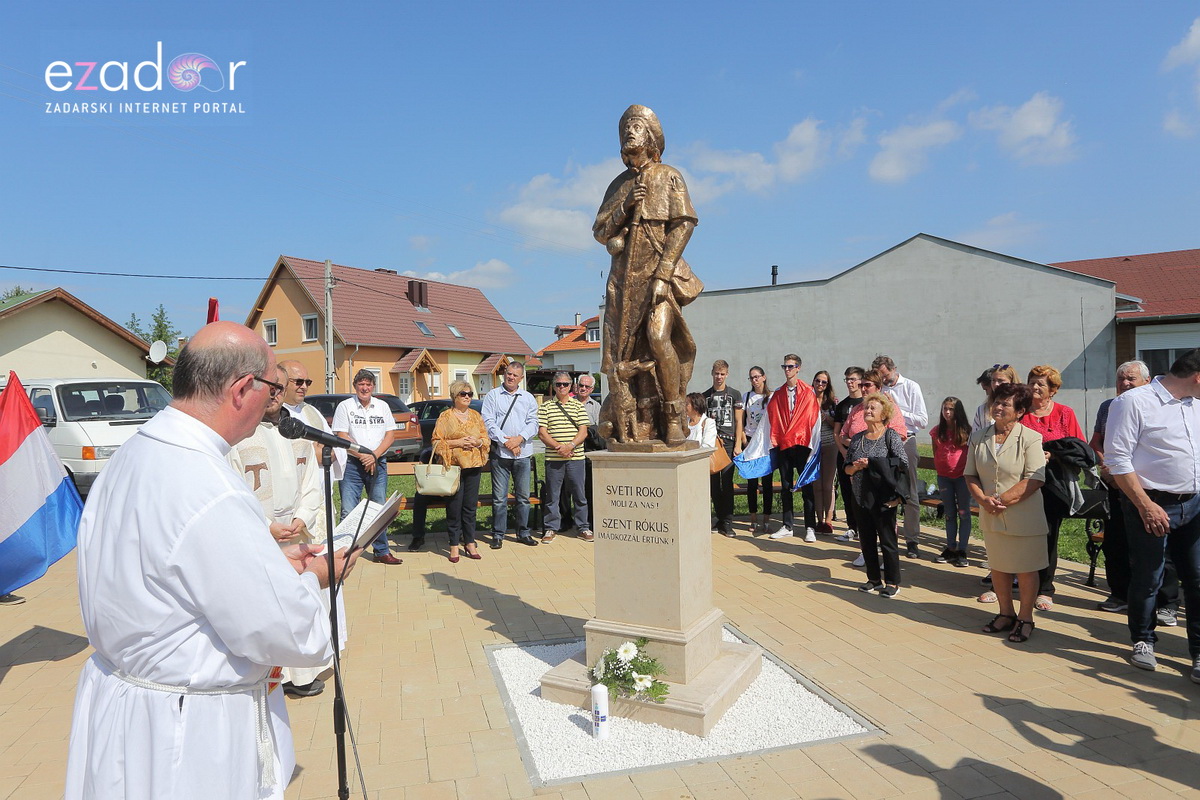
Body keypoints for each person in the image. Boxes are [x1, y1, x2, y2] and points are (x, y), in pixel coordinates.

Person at [66, 321, 356, 799]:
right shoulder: (210, 486)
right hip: (187, 734)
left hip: (128, 705)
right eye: (273, 388)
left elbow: (169, 577)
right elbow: (286, 633)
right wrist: (316, 577)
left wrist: (276, 566)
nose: (275, 401)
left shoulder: (135, 451)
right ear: (243, 389)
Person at [594, 104, 703, 445]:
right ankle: (641, 421)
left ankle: (672, 416)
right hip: (624, 284)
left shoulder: (669, 175)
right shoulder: (618, 184)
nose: (630, 131)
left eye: (637, 127)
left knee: (658, 338)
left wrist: (664, 271)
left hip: (660, 277)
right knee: (625, 356)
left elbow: (684, 224)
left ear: (652, 138)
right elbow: (600, 232)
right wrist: (626, 206)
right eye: (625, 127)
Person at [228, 365, 335, 697]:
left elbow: (311, 481)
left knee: (300, 603)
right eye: (268, 388)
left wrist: (303, 516)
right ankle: (273, 675)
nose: (274, 393)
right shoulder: (241, 434)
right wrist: (266, 526)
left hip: (298, 530)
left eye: (279, 388)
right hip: (261, 533)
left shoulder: (296, 429)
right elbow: (233, 486)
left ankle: (302, 676)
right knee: (270, 606)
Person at [1104, 348, 1200, 679]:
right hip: (1151, 503)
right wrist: (1145, 504)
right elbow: (1117, 459)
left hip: (1195, 503)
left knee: (1197, 578)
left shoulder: (1196, 405)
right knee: (1149, 575)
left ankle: (1199, 653)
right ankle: (1143, 640)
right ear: (1198, 377)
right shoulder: (1133, 402)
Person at [1090, 361, 1179, 618]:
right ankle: (1120, 594)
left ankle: (1167, 603)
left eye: (1131, 378)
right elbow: (1097, 441)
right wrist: (1108, 468)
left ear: (1147, 380)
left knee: (1162, 544)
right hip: (1117, 487)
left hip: (1152, 490)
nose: (1125, 383)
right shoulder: (1109, 407)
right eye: (1121, 379)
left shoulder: (1160, 407)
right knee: (1115, 542)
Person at [965, 382, 1048, 644]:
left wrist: (1001, 500)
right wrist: (982, 500)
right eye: (996, 402)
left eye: (1005, 404)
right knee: (999, 567)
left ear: (1020, 410)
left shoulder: (1030, 438)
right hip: (991, 513)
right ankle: (1005, 613)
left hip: (1024, 515)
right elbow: (970, 474)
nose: (998, 407)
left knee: (1025, 570)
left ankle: (1025, 618)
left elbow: (1035, 479)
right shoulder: (978, 438)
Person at [1020, 364, 1087, 611]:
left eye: (1041, 384)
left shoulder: (1064, 413)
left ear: (1053, 390)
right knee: (1021, 534)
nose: (1035, 387)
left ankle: (1045, 589)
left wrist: (1052, 455)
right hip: (1021, 481)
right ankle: (1013, 582)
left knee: (1048, 534)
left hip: (1053, 483)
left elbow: (1078, 448)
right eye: (1032, 381)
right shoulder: (1020, 412)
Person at [844, 393, 909, 598]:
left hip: (884, 498)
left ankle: (892, 582)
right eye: (867, 408)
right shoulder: (857, 438)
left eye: (873, 408)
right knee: (867, 540)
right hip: (861, 496)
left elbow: (902, 463)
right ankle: (873, 579)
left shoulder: (890, 436)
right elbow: (846, 467)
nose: (868, 411)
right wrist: (854, 468)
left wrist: (871, 463)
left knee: (888, 541)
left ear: (884, 414)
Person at [332, 370, 400, 564]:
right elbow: (341, 435)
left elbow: (390, 436)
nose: (365, 388)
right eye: (361, 384)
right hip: (353, 464)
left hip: (378, 463)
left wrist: (373, 456)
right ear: (355, 386)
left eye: (368, 384)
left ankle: (381, 551)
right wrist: (362, 456)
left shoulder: (382, 406)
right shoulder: (345, 407)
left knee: (378, 508)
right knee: (348, 509)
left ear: (373, 386)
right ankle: (343, 553)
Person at [873, 356, 928, 558]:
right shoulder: (881, 390)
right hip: (885, 442)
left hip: (906, 441)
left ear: (894, 369)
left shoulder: (911, 387)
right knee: (887, 492)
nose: (884, 380)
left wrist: (896, 409)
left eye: (885, 375)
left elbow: (922, 420)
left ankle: (912, 540)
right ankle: (888, 537)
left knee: (910, 492)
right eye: (880, 376)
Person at [481, 362, 540, 548]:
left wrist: (519, 439)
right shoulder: (493, 396)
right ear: (504, 374)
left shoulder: (528, 398)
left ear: (521, 378)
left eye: (515, 375)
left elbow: (533, 423)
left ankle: (523, 532)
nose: (511, 377)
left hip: (523, 453)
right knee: (499, 498)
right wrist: (507, 442)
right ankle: (498, 534)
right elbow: (488, 423)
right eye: (508, 373)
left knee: (523, 497)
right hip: (501, 454)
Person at [432, 380, 490, 563]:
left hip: (473, 465)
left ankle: (470, 542)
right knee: (454, 507)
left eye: (469, 394)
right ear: (454, 396)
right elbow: (435, 442)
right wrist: (457, 443)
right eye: (463, 394)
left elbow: (485, 439)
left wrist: (478, 443)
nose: (467, 397)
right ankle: (454, 544)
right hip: (453, 468)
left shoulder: (476, 416)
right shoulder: (445, 417)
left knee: (470, 507)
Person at [766, 354, 821, 542]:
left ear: (798, 368)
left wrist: (813, 445)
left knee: (806, 485)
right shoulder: (778, 393)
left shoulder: (808, 392)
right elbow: (772, 417)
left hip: (802, 444)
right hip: (784, 445)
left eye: (791, 366)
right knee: (786, 485)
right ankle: (787, 525)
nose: (787, 370)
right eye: (785, 366)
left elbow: (813, 419)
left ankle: (810, 527)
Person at [538, 372, 593, 543]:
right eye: (558, 384)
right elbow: (542, 433)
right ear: (554, 386)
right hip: (554, 459)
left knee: (579, 494)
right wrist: (558, 447)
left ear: (571, 386)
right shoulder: (545, 407)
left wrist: (570, 446)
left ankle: (583, 527)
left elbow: (583, 432)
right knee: (552, 496)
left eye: (565, 384)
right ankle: (550, 528)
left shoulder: (578, 406)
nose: (562, 387)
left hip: (576, 459)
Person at [930, 397, 973, 568]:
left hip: (962, 478)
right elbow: (935, 452)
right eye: (945, 409)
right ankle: (950, 547)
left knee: (964, 513)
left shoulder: (966, 431)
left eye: (951, 409)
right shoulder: (937, 431)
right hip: (944, 477)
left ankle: (962, 550)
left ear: (958, 411)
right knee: (949, 513)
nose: (947, 412)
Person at [704, 360, 743, 537]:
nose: (719, 377)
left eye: (722, 374)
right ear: (712, 374)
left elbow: (739, 420)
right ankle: (719, 518)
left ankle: (728, 521)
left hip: (728, 444)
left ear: (727, 374)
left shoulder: (735, 394)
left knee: (727, 483)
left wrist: (737, 445)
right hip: (712, 445)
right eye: (716, 373)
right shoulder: (706, 397)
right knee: (713, 485)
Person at [833, 367, 865, 543]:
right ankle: (852, 527)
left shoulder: (867, 403)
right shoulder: (842, 405)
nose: (850, 383)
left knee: (860, 493)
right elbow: (837, 433)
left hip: (863, 456)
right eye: (847, 379)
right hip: (845, 455)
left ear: (861, 381)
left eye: (853, 379)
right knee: (846, 491)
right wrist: (843, 451)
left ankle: (864, 527)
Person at [742, 366, 774, 534]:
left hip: (767, 444)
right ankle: (753, 519)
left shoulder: (772, 396)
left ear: (763, 377)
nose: (754, 380)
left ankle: (767, 520)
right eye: (751, 378)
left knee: (767, 483)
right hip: (750, 443)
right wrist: (743, 441)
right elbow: (741, 420)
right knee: (752, 483)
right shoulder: (746, 396)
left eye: (756, 377)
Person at [808, 370, 839, 534]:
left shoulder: (832, 402)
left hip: (829, 445)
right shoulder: (807, 400)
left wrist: (825, 417)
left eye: (824, 382)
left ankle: (828, 520)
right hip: (812, 447)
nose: (820, 384)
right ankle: (818, 520)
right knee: (816, 485)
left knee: (828, 485)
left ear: (828, 385)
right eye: (817, 381)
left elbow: (838, 426)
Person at [973, 364, 1018, 430]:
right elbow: (974, 437)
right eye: (993, 380)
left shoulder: (1021, 407)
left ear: (1011, 381)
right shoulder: (982, 410)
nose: (996, 384)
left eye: (1000, 380)